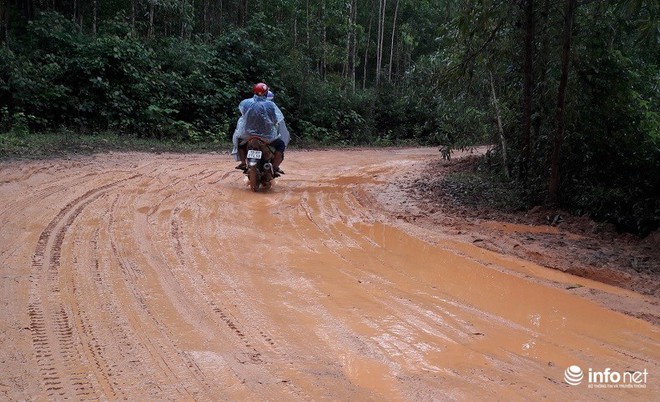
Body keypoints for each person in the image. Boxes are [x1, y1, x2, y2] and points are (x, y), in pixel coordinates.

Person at [231, 83, 288, 175]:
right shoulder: (270, 105)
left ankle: (242, 163)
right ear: (266, 93)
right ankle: (275, 167)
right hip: (267, 138)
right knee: (281, 145)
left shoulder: (246, 103)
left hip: (248, 135)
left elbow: (243, 116)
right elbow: (275, 120)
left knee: (240, 142)